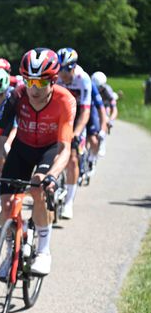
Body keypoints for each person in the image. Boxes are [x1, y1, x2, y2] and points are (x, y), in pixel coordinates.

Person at [0, 48, 74, 276]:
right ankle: (11, 250)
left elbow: (64, 148)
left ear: (53, 80)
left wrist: (53, 175)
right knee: (7, 204)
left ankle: (43, 251)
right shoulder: (16, 95)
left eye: (40, 83)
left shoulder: (64, 100)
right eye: (29, 81)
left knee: (38, 186)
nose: (33, 89)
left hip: (49, 149)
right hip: (23, 147)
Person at [55, 47, 94, 219]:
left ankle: (69, 202)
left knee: (72, 159)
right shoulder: (55, 77)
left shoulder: (83, 79)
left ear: (73, 67)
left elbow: (85, 112)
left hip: (78, 116)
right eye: (59, 69)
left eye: (65, 69)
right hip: (62, 115)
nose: (62, 73)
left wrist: (77, 133)